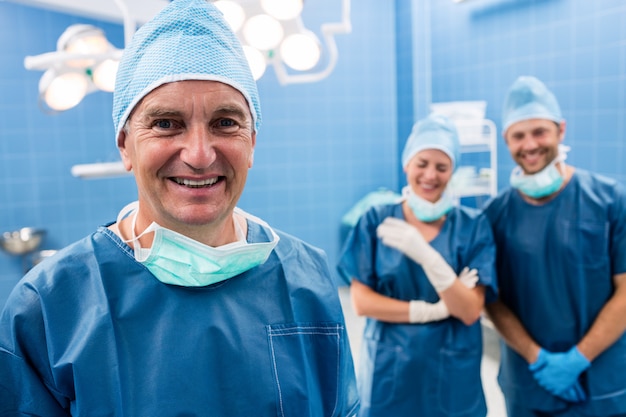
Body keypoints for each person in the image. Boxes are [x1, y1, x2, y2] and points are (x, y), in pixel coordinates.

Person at [0, 1, 359, 415]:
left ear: (252, 143)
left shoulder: (307, 278)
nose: (200, 155)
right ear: (125, 146)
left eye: (226, 122)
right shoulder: (48, 305)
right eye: (166, 124)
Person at [483, 75, 626, 417]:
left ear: (561, 130)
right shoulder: (495, 216)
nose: (530, 144)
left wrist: (580, 358)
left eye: (539, 132)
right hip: (529, 382)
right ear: (506, 140)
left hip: (602, 382)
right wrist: (536, 357)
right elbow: (492, 299)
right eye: (519, 135)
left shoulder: (609, 200)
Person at [337, 113, 498, 417]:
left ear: (453, 171)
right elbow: (362, 302)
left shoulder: (474, 226)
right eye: (422, 163)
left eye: (442, 166)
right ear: (406, 165)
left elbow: (468, 310)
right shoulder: (376, 219)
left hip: (453, 374)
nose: (430, 175)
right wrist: (434, 309)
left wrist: (428, 258)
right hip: (392, 373)